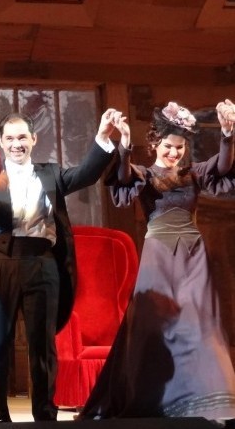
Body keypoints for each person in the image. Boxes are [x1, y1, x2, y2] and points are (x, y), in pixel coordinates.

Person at [79, 100, 235, 423]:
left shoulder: (194, 173)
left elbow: (222, 167)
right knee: (152, 327)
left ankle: (203, 399)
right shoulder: (145, 174)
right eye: (168, 146)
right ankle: (154, 400)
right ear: (154, 143)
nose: (174, 152)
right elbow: (124, 175)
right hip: (158, 257)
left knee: (199, 324)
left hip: (193, 256)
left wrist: (227, 135)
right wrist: (123, 145)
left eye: (180, 147)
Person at [0, 110, 126, 422]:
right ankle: (0, 414)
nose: (16, 144)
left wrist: (102, 136)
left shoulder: (50, 173)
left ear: (34, 139)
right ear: (1, 142)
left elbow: (85, 174)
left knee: (42, 344)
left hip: (42, 262)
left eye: (22, 137)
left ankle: (45, 415)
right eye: (10, 138)